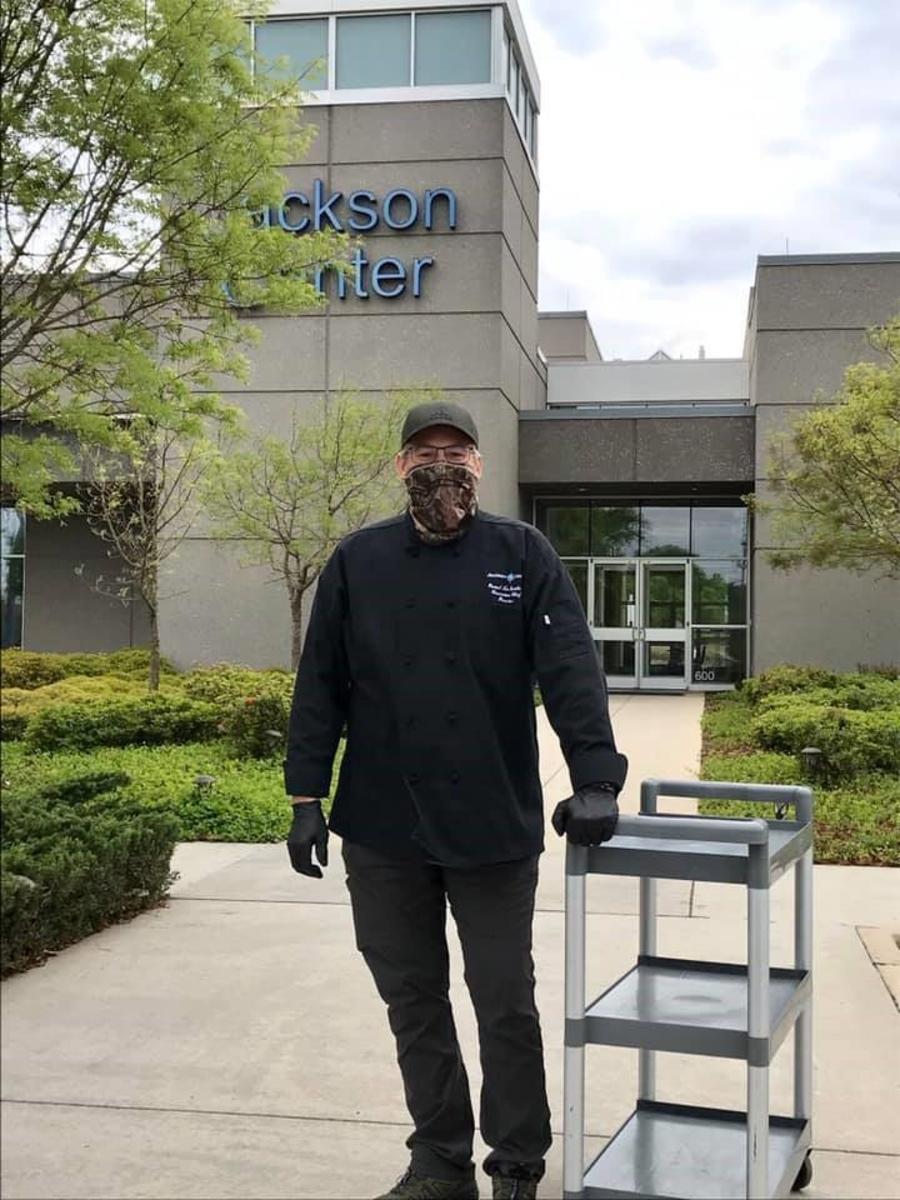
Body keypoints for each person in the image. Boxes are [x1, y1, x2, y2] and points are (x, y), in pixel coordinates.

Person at [284, 402, 627, 1200]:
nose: (441, 463)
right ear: (399, 468)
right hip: (381, 823)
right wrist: (307, 794)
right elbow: (319, 686)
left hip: (492, 822)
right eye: (424, 451)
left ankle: (515, 1164)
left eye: (457, 450)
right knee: (412, 1000)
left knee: (504, 999)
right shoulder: (357, 560)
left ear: (479, 465)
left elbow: (570, 668)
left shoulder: (522, 552)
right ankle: (439, 1161)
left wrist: (597, 779)